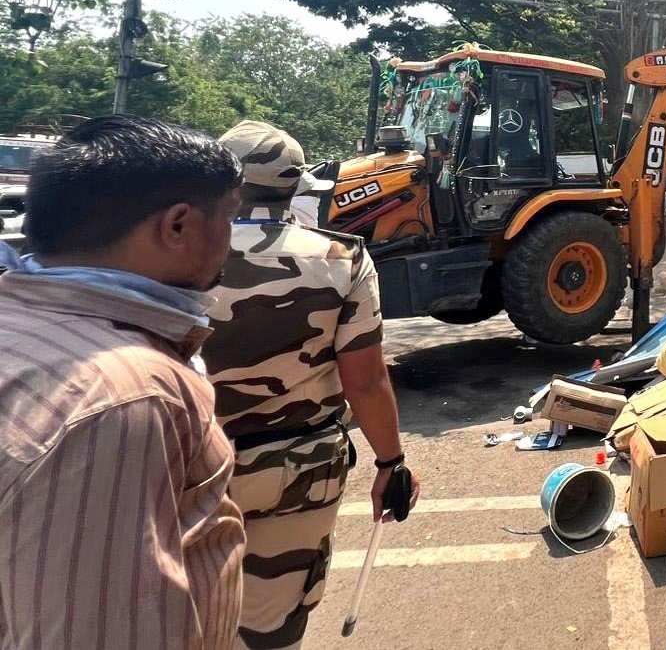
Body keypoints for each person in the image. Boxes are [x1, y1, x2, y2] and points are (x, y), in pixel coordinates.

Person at [0, 116, 246, 649]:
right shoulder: (121, 399)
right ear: (177, 226)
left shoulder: (20, 322)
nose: (232, 236)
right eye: (229, 215)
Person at [205, 121, 419, 650]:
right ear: (296, 186)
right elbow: (366, 381)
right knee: (268, 631)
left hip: (189, 468)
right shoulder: (341, 258)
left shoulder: (177, 253)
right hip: (298, 471)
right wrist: (391, 464)